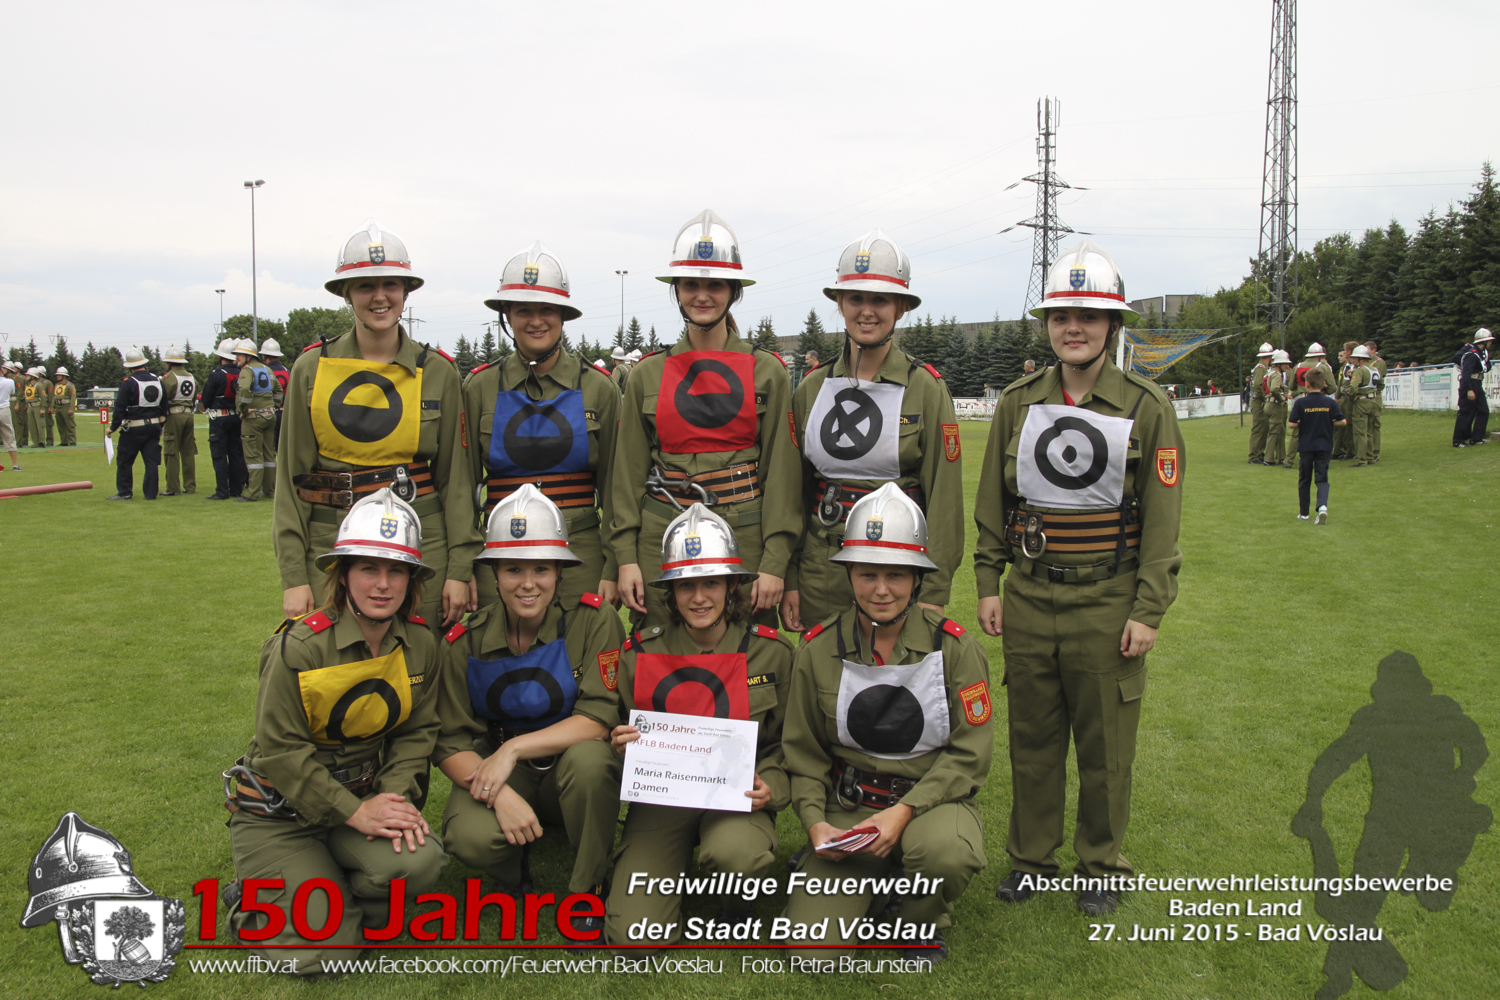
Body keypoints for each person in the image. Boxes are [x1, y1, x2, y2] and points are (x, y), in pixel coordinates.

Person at [974, 240, 1183, 916]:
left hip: (1107, 598)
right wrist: (988, 583)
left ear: (1112, 325)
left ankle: (1101, 865)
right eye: (1061, 316)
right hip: (1030, 597)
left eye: (1088, 316)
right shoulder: (1018, 401)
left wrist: (1147, 610)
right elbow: (992, 503)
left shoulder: (1146, 406)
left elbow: (1163, 523)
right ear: (1048, 324)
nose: (1074, 328)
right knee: (1032, 744)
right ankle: (1031, 861)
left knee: (1105, 749)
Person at [222, 489, 448, 975]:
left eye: (396, 571)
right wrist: (355, 813)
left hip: (361, 801)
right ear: (342, 574)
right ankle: (249, 904)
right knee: (326, 956)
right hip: (281, 813)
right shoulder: (300, 647)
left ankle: (326, 892)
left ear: (412, 580)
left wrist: (389, 800)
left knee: (421, 862)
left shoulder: (420, 643)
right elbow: (282, 751)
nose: (383, 584)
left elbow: (417, 732)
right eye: (368, 568)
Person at [781, 484, 992, 960]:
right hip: (851, 808)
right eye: (868, 574)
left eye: (896, 575)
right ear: (849, 574)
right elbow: (804, 753)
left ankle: (917, 915)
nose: (881, 589)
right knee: (812, 953)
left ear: (917, 578)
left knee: (945, 855)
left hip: (930, 804)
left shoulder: (956, 650)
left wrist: (905, 811)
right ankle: (873, 884)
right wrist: (816, 824)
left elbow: (969, 754)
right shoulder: (817, 649)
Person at [274, 219, 480, 633]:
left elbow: (456, 481)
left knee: (422, 656)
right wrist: (294, 576)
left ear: (406, 292)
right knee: (336, 656)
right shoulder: (311, 368)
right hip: (331, 539)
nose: (380, 296)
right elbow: (292, 480)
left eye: (391, 285)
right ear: (346, 293)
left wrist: (459, 568)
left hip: (422, 538)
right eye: (366, 286)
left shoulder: (438, 371)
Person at [603, 503, 794, 945]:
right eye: (686, 585)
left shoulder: (772, 653)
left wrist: (772, 786)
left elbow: (791, 744)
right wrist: (622, 744)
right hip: (662, 804)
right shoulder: (639, 654)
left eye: (711, 582)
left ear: (732, 586)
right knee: (634, 938)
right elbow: (611, 729)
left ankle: (736, 905)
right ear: (670, 592)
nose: (699, 597)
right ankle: (656, 870)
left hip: (736, 800)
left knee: (736, 855)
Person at [433, 486, 623, 923]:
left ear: (559, 570)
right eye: (513, 569)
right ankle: (512, 868)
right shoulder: (464, 642)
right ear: (494, 573)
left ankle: (588, 886)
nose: (528, 583)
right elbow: (450, 741)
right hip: (502, 771)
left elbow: (597, 719)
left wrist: (512, 749)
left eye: (541, 568)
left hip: (567, 766)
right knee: (468, 837)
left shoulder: (594, 621)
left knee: (592, 763)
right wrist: (499, 792)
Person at [610, 209, 800, 628]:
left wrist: (775, 561)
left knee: (746, 656)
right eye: (690, 284)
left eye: (715, 285)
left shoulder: (767, 371)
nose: (702, 296)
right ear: (676, 290)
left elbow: (782, 477)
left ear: (733, 291)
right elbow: (625, 477)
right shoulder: (646, 374)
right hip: (660, 532)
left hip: (745, 534)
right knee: (661, 654)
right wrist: (625, 558)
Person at [781, 229, 961, 634]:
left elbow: (945, 500)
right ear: (840, 303)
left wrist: (935, 590)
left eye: (880, 300)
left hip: (897, 571)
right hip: (821, 569)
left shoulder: (925, 389)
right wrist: (791, 578)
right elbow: (794, 494)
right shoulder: (811, 388)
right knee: (823, 670)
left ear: (901, 307)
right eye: (856, 298)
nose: (867, 311)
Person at [465, 241, 620, 612]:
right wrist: (462, 567)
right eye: (523, 310)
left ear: (563, 315)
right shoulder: (479, 387)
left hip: (579, 554)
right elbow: (460, 487)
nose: (536, 321)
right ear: (507, 315)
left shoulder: (599, 388)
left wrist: (614, 565)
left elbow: (617, 489)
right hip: (500, 553)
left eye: (547, 309)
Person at [106, 348, 166, 501]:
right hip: (154, 426)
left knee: (125, 461)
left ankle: (125, 492)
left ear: (130, 367)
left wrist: (113, 427)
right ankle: (151, 493)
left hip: (133, 427)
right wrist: (160, 424)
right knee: (151, 462)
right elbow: (164, 404)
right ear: (144, 364)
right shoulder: (158, 380)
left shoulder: (128, 382)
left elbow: (120, 408)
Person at [1288, 370, 1346, 525]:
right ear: (1323, 384)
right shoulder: (1329, 403)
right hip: (1324, 445)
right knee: (1322, 478)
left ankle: (1304, 513)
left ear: (1306, 384)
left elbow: (1291, 424)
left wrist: (1304, 422)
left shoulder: (1301, 403)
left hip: (1306, 445)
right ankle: (1322, 507)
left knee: (1305, 479)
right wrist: (1328, 421)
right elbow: (1342, 421)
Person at [236, 339, 283, 502]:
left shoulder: (247, 370)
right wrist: (273, 406)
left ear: (248, 356)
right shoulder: (267, 369)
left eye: (240, 354)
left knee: (253, 456)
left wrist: (243, 410)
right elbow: (278, 390)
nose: (237, 358)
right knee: (269, 454)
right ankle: (270, 490)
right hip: (270, 416)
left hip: (254, 418)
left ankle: (252, 493)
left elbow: (244, 390)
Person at [200, 338, 247, 500]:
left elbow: (206, 398)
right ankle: (236, 489)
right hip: (237, 417)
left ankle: (222, 490)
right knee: (236, 454)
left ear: (221, 357)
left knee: (219, 455)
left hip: (219, 418)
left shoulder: (217, 374)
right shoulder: (241, 372)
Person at [1286, 342, 1335, 468]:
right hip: (1318, 399)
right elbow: (1332, 387)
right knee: (1319, 429)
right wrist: (1323, 390)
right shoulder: (1323, 367)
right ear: (1320, 356)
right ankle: (1320, 458)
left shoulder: (1298, 366)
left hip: (1302, 399)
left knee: (1296, 433)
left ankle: (1288, 461)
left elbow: (1291, 386)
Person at [160, 346, 198, 496]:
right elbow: (194, 397)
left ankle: (173, 487)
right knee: (188, 452)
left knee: (171, 451)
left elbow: (163, 398)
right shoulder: (191, 377)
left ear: (169, 363)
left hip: (174, 415)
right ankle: (190, 486)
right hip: (189, 414)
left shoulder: (169, 377)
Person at [1453, 327, 1492, 447]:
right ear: (1484, 341)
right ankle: (1459, 440)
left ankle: (1476, 438)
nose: (1491, 343)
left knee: (1483, 410)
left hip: (1477, 382)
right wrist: (1469, 389)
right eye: (1489, 340)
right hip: (1470, 383)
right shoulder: (1472, 354)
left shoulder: (1482, 353)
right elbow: (1466, 373)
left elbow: (1487, 366)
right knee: (1466, 411)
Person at [1344, 345, 1377, 466]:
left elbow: (1353, 387)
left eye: (1355, 358)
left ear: (1360, 359)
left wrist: (1353, 397)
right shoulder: (1374, 369)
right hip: (1373, 401)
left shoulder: (1360, 370)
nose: (1353, 360)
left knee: (1359, 432)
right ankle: (1370, 457)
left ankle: (1361, 460)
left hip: (1362, 403)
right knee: (1369, 431)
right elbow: (1381, 385)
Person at [1262, 350, 1292, 467]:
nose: (1287, 366)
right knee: (1274, 432)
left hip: (1269, 404)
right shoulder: (1277, 374)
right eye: (1285, 363)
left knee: (1280, 431)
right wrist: (1281, 398)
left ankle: (1281, 456)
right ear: (1278, 364)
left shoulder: (1269, 373)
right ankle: (1269, 459)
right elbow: (1274, 389)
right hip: (1275, 405)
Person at [261, 337, 290, 456]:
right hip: (285, 413)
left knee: (269, 449)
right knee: (283, 448)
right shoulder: (287, 371)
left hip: (268, 412)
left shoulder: (264, 371)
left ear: (265, 356)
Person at [1248, 342, 1274, 463]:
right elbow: (1258, 385)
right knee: (1258, 428)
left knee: (1264, 427)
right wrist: (1264, 399)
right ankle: (1253, 456)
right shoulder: (1261, 368)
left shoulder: (1263, 367)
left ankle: (1259, 453)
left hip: (1259, 400)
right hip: (1258, 401)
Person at [1364, 340, 1386, 461]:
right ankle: (1366, 451)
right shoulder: (1365, 363)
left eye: (1368, 350)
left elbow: (1377, 380)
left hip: (1374, 395)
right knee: (1366, 425)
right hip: (1365, 396)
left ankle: (1374, 452)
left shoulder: (1378, 363)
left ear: (1373, 350)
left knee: (1374, 425)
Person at [26, 366, 53, 448]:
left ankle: (41, 442)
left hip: (37, 406)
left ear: (33, 376)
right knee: (32, 425)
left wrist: (43, 408)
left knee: (40, 425)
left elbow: (43, 397)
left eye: (28, 375)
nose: (26, 376)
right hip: (30, 406)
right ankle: (35, 442)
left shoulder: (38, 385)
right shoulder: (29, 385)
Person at [50, 367, 77, 446]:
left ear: (64, 376)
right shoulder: (57, 385)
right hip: (58, 406)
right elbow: (54, 396)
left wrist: (71, 409)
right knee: (60, 425)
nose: (57, 376)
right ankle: (64, 441)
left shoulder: (69, 385)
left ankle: (72, 441)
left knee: (70, 424)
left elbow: (73, 397)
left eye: (59, 375)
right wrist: (52, 406)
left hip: (66, 406)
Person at [0, 361, 17, 471]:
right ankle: (15, 465)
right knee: (9, 437)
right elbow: (11, 392)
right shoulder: (9, 381)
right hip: (4, 410)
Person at [9, 362, 27, 450]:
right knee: (11, 422)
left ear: (19, 369)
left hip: (16, 400)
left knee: (17, 422)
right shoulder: (10, 378)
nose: (13, 369)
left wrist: (18, 403)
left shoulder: (18, 378)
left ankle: (19, 441)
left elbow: (20, 392)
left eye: (15, 367)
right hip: (9, 400)